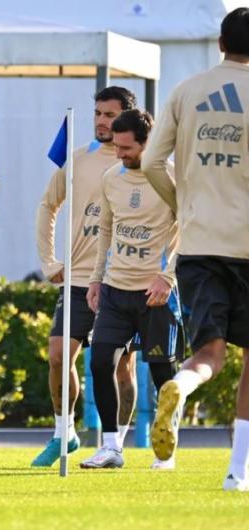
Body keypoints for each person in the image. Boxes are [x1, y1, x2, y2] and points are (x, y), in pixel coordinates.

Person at [142, 7, 249, 491]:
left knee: (208, 353)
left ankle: (180, 386)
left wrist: (182, 206)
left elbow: (151, 161)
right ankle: (237, 472)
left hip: (199, 244)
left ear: (221, 43)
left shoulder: (187, 90)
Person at [32, 86, 139, 467]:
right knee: (58, 356)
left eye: (110, 115)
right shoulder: (76, 159)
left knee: (121, 368)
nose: (101, 121)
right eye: (97, 113)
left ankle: (115, 443)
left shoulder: (140, 163)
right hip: (77, 279)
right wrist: (49, 260)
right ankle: (65, 433)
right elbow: (47, 206)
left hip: (122, 280)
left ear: (126, 117)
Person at [81, 109, 183, 470]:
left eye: (126, 148)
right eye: (116, 146)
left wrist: (168, 277)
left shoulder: (172, 178)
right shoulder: (111, 177)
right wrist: (96, 278)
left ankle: (166, 452)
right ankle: (111, 448)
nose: (119, 153)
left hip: (155, 294)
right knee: (99, 362)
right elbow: (106, 231)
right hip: (115, 290)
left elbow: (191, 227)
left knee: (162, 374)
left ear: (148, 143)